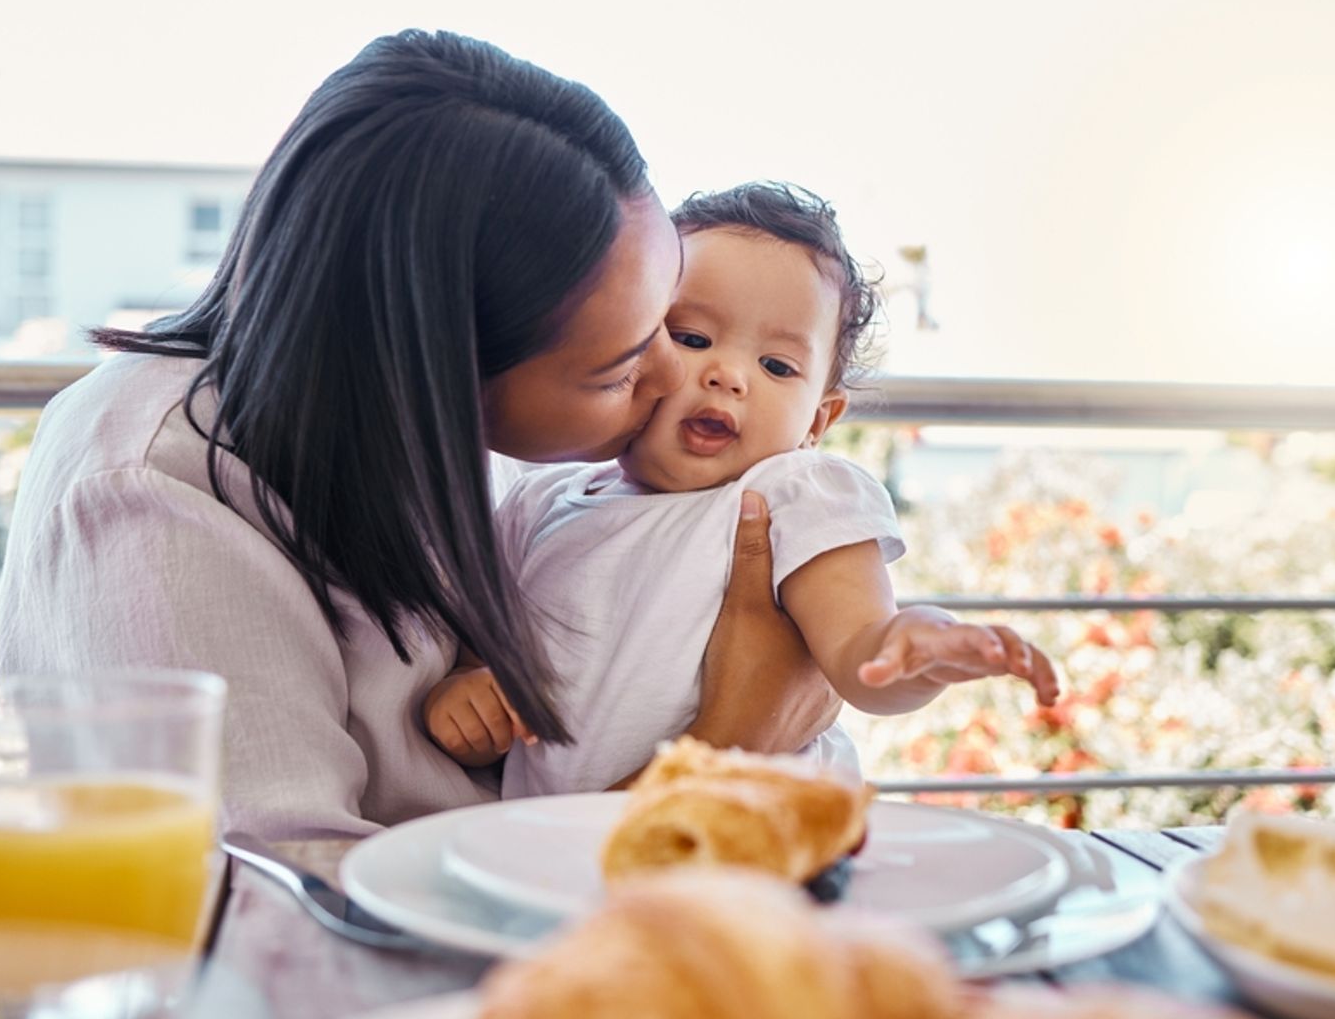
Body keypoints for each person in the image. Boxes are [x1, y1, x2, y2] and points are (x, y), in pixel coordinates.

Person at [0, 31, 838, 839]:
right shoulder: (155, 500)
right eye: (620, 370)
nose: (675, 379)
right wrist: (728, 750)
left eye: (670, 322)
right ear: (442, 365)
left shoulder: (426, 435)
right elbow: (289, 899)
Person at [422, 183, 1060, 797]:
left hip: (759, 836)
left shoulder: (795, 492)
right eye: (692, 338)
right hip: (560, 863)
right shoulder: (540, 504)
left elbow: (860, 659)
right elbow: (484, 655)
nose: (728, 376)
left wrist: (914, 650)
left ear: (818, 420)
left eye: (777, 366)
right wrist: (470, 696)